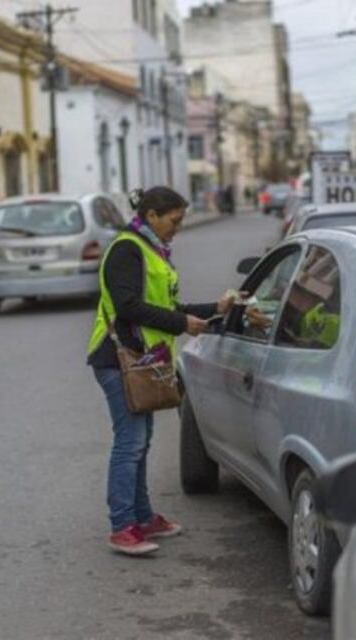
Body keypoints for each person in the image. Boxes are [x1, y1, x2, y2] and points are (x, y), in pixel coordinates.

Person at [87, 186, 240, 556]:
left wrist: (213, 309)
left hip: (145, 360)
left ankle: (142, 516)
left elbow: (170, 306)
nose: (178, 227)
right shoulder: (128, 249)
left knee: (140, 441)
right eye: (174, 220)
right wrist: (180, 323)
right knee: (130, 443)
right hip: (118, 358)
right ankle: (122, 526)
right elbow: (127, 306)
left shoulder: (152, 250)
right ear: (152, 216)